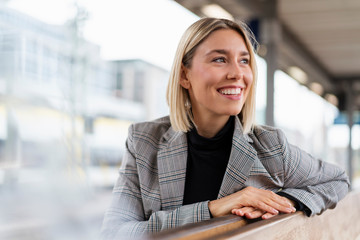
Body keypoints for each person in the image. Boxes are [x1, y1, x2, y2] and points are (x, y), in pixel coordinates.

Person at [100, 17, 349, 239]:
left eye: (244, 60)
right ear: (184, 75)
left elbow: (337, 180)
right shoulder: (144, 141)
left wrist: (285, 202)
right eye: (219, 59)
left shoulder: (270, 146)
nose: (237, 73)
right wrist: (213, 209)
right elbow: (115, 233)